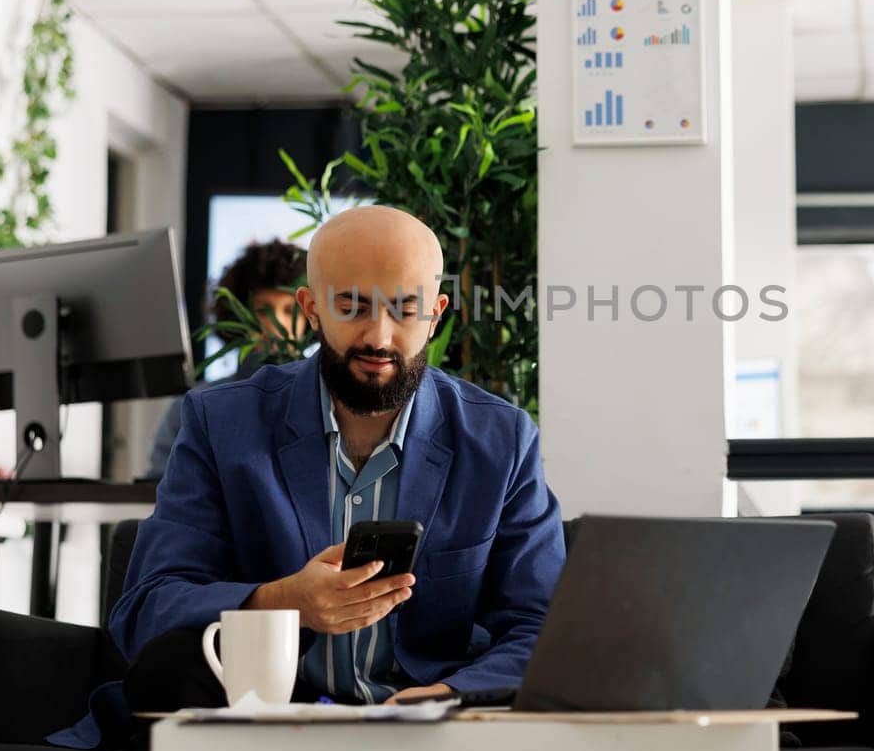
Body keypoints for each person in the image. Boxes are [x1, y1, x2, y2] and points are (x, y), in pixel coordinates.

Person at [111, 204, 565, 707]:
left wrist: (448, 695)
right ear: (312, 309)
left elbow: (541, 625)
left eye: (405, 308)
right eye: (352, 306)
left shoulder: (501, 440)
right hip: (266, 726)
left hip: (429, 738)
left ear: (435, 316)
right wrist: (283, 603)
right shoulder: (222, 424)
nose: (379, 336)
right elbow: (147, 610)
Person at [141, 239, 309, 481]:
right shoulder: (196, 406)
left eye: (290, 310)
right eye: (264, 310)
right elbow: (160, 483)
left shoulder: (325, 402)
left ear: (311, 315)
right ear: (239, 315)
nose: (278, 324)